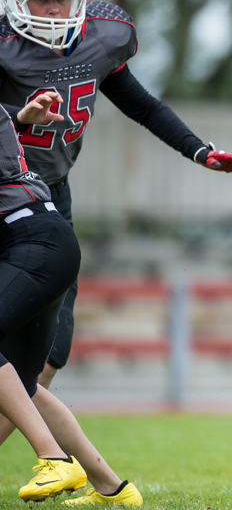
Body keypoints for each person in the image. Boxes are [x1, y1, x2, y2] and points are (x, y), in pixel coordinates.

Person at [0, 0, 232, 444]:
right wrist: (17, 118)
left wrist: (198, 150)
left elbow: (142, 104)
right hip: (4, 193)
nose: (54, 11)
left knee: (48, 355)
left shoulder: (101, 39)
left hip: (51, 198)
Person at [0, 94, 142, 506]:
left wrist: (21, 117)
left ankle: (53, 458)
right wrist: (22, 117)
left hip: (30, 242)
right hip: (47, 240)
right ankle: (114, 488)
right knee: (23, 384)